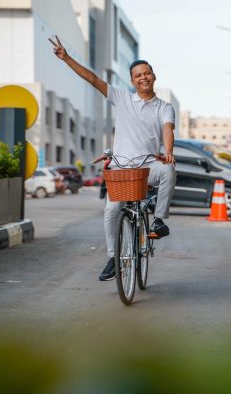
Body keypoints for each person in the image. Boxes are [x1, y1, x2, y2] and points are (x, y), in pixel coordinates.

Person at [49, 36, 176, 282]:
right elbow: (93, 79)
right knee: (111, 210)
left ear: (154, 76)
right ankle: (113, 257)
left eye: (147, 73)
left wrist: (168, 152)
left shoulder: (164, 107)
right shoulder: (122, 97)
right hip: (120, 169)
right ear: (132, 81)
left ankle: (158, 221)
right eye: (138, 75)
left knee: (169, 170)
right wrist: (66, 58)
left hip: (148, 166)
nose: (143, 77)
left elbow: (168, 129)